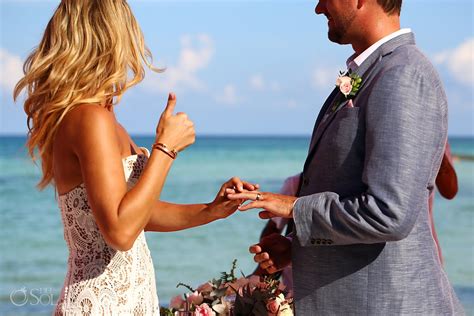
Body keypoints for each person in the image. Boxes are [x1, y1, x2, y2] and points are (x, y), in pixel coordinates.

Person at [13, 1, 254, 314]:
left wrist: (211, 210)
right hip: (102, 303)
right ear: (112, 38)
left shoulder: (100, 119)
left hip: (126, 301)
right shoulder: (89, 119)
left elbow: (136, 216)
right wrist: (166, 149)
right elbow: (120, 231)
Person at [228, 0, 464, 314]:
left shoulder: (403, 74)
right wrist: (300, 247)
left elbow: (389, 213)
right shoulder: (373, 72)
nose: (318, 8)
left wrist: (295, 207)